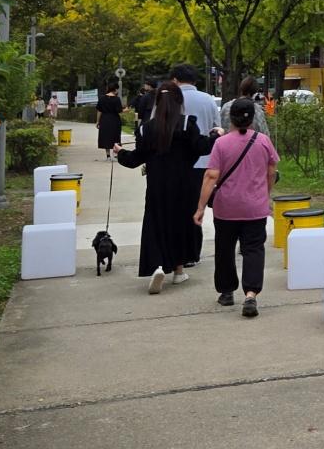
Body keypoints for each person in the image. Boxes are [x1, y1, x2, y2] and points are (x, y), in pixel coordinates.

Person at [115, 82, 222, 294]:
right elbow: (201, 147)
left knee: (156, 224)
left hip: (156, 186)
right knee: (180, 225)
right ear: (179, 102)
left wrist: (120, 153)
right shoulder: (185, 124)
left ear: (157, 102)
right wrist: (216, 134)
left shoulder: (146, 128)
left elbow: (136, 158)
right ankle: (179, 271)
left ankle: (156, 266)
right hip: (183, 185)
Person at [195, 98, 278, 317]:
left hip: (226, 208)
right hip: (255, 208)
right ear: (252, 118)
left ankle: (227, 292)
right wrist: (265, 194)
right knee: (253, 249)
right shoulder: (263, 142)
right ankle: (251, 294)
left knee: (224, 250)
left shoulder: (221, 144)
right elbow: (271, 172)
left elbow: (211, 175)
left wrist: (201, 207)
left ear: (230, 118)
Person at [171, 64, 220, 263]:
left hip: (178, 162)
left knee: (178, 208)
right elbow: (217, 129)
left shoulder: (171, 99)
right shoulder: (208, 99)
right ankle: (194, 251)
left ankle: (181, 253)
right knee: (197, 208)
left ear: (175, 79)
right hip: (205, 162)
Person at [96, 83, 124, 160]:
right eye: (117, 89)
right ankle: (115, 155)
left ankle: (108, 156)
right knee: (116, 137)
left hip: (104, 119)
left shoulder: (102, 98)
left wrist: (97, 121)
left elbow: (99, 111)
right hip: (114, 119)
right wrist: (125, 110)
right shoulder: (116, 99)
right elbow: (119, 111)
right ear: (115, 89)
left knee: (106, 137)